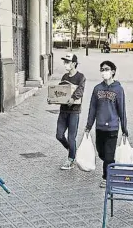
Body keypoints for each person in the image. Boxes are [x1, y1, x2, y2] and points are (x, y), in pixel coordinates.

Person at [84, 60, 128, 188]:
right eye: (102, 69)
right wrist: (88, 126)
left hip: (113, 128)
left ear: (113, 71)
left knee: (108, 154)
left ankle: (106, 177)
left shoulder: (119, 90)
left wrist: (125, 129)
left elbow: (122, 110)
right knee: (101, 153)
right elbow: (92, 108)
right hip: (100, 127)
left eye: (106, 69)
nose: (104, 72)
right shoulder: (97, 89)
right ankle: (111, 166)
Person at [54, 53, 86, 170]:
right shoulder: (64, 77)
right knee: (59, 135)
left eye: (67, 62)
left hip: (74, 111)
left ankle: (71, 160)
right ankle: (71, 149)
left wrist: (73, 98)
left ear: (73, 64)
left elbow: (80, 91)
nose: (65, 64)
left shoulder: (80, 77)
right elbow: (60, 91)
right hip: (63, 110)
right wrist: (53, 99)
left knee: (72, 137)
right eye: (65, 62)